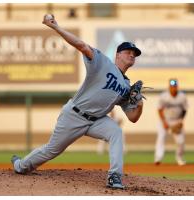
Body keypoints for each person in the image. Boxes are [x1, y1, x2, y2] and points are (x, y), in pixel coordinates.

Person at [11, 14, 144, 189]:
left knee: (116, 133)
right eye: (128, 51)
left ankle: (114, 177)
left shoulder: (127, 86)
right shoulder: (102, 62)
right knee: (51, 150)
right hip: (74, 114)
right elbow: (81, 45)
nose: (132, 55)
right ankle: (20, 165)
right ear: (117, 54)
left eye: (134, 54)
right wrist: (55, 27)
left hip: (97, 120)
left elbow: (133, 117)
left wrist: (139, 102)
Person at [154, 79, 188, 166]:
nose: (174, 88)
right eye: (172, 86)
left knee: (181, 141)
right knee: (161, 138)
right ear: (169, 87)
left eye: (175, 86)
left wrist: (181, 120)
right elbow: (160, 109)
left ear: (177, 87)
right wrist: (164, 122)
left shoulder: (182, 96)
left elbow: (184, 110)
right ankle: (158, 158)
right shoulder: (164, 96)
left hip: (176, 120)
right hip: (165, 119)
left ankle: (179, 158)